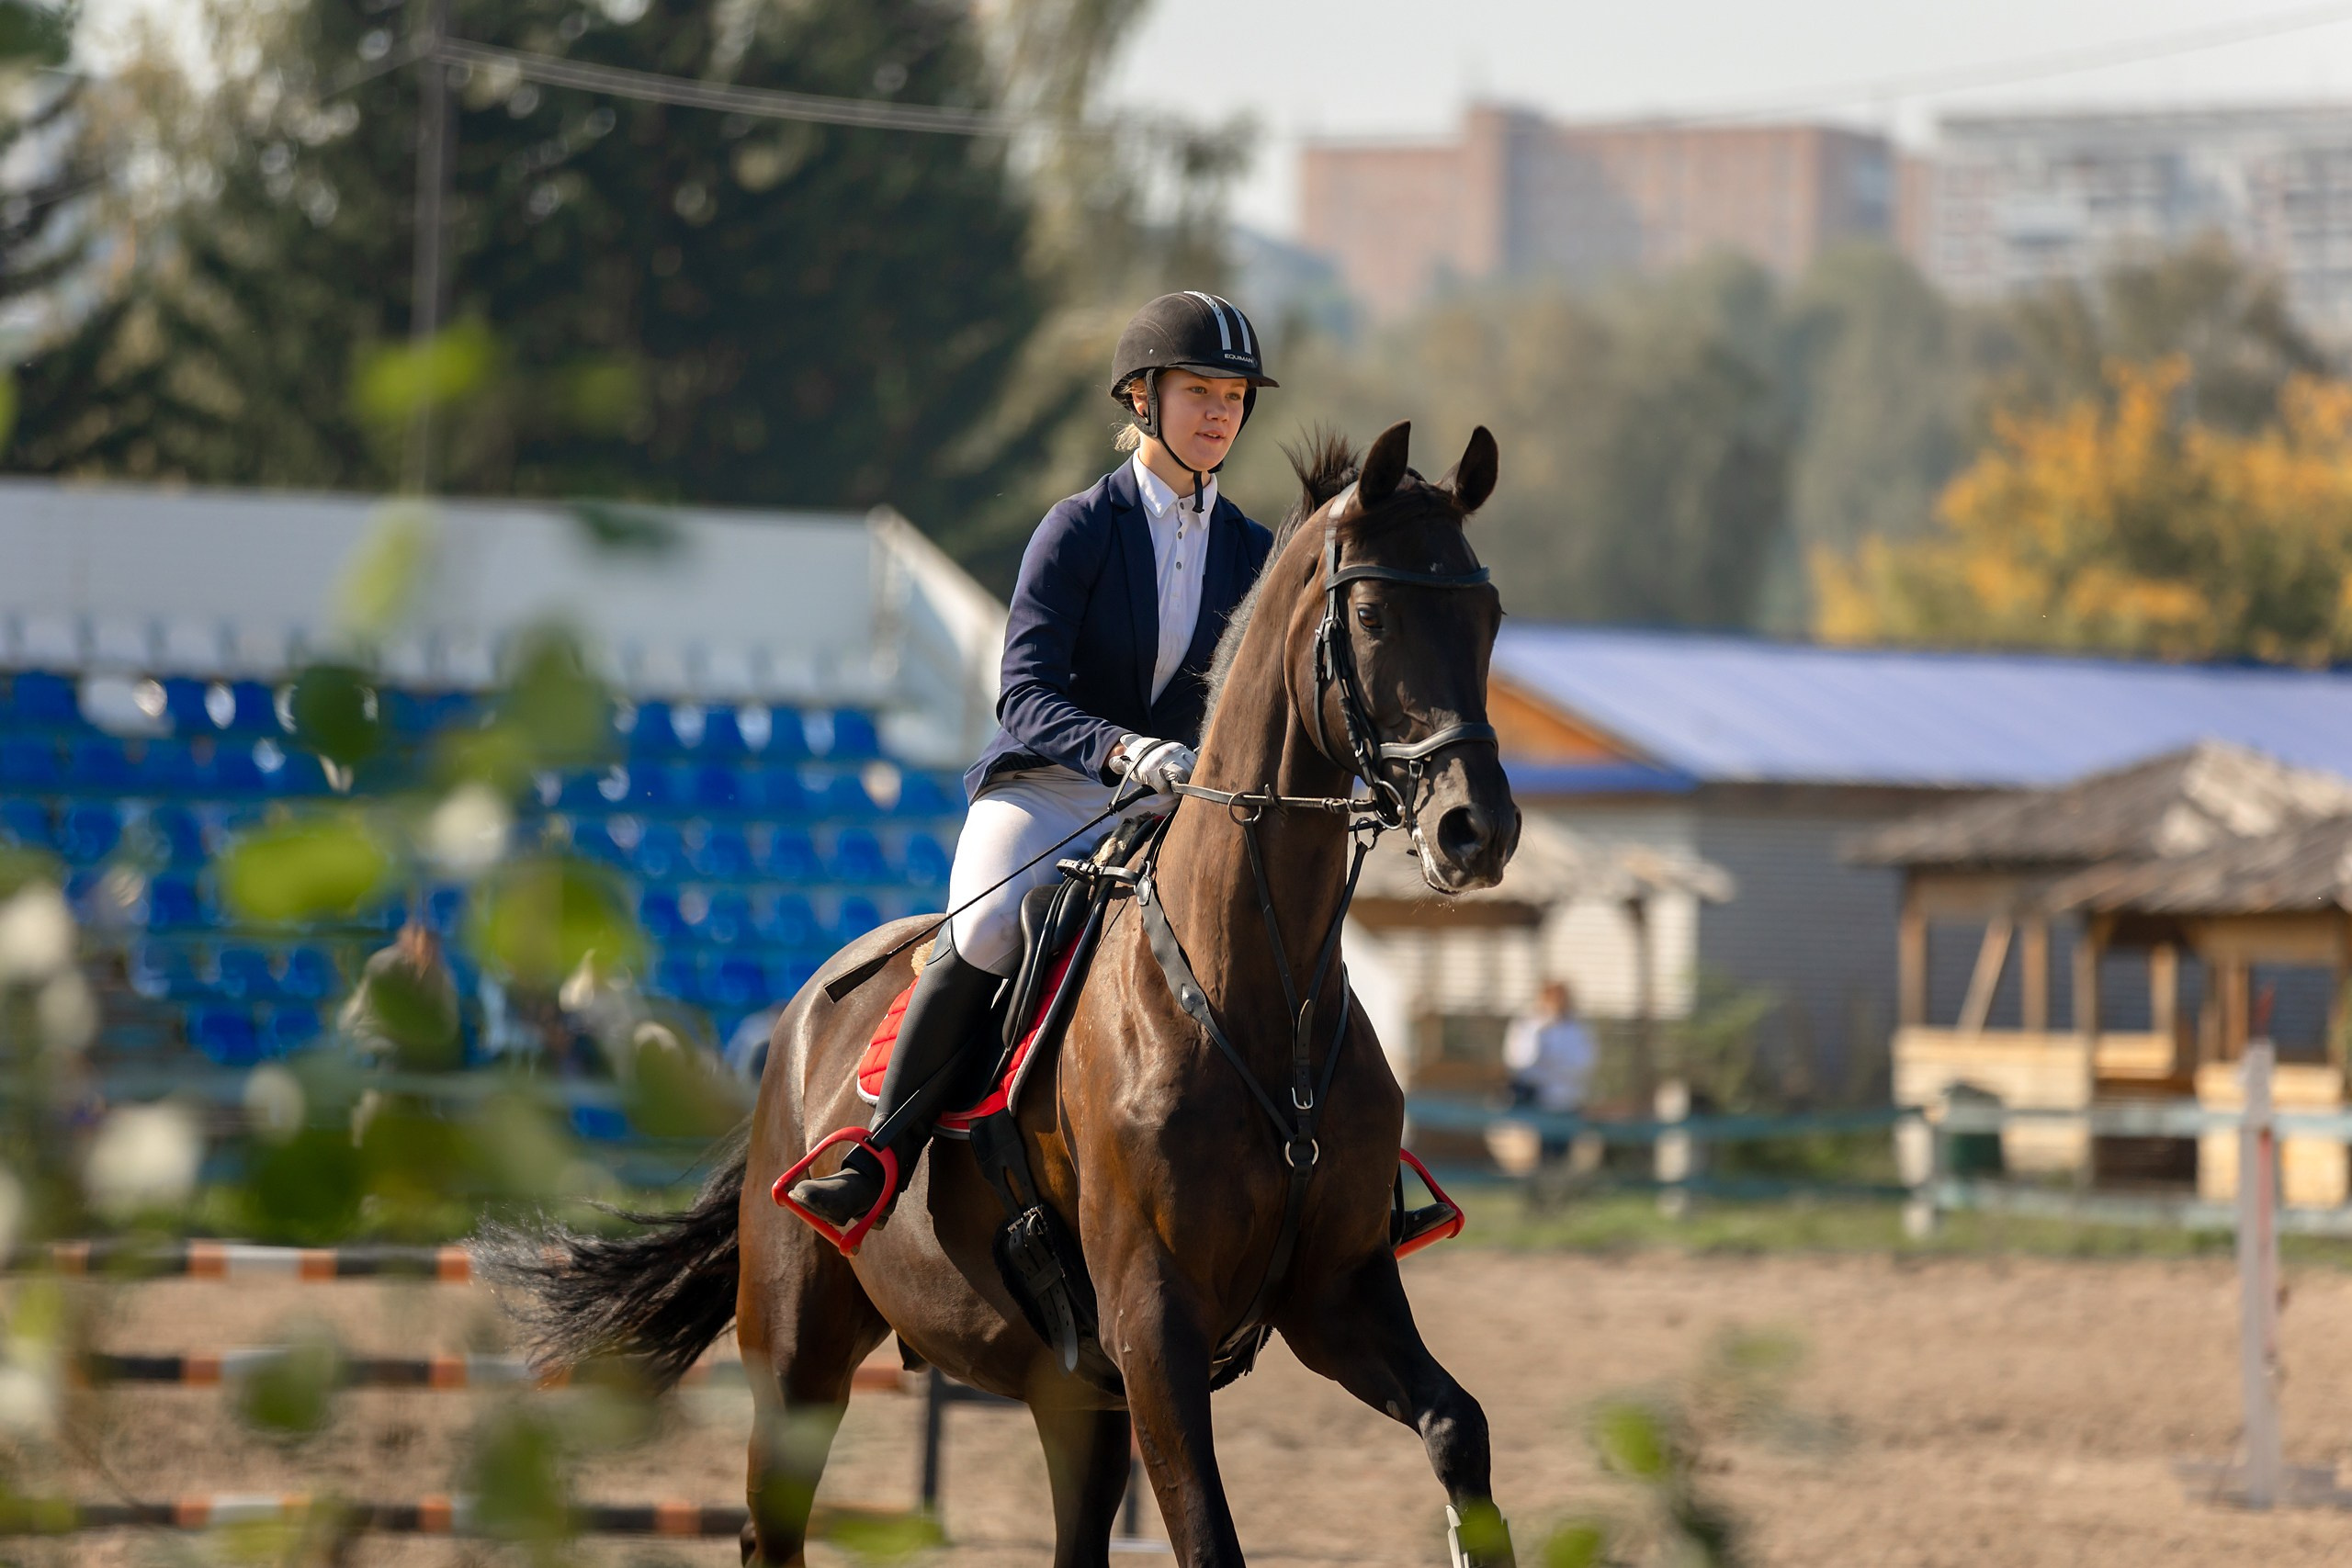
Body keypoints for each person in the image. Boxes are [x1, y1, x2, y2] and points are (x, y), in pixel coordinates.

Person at [787, 291, 1279, 1228]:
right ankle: (879, 1156)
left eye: (1233, 396)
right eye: (1198, 392)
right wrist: (1122, 748)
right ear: (1142, 398)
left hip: (1170, 806)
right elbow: (1023, 694)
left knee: (1275, 932)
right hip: (1051, 789)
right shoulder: (1079, 528)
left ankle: (1341, 1176)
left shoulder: (1251, 549)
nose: (1220, 413)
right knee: (988, 931)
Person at [1503, 981, 1595, 1157]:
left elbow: (1583, 1062)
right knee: (1531, 1150)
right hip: (1533, 1097)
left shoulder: (1578, 1029)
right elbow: (1518, 1061)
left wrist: (1557, 1070)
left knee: (1561, 1149)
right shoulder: (1528, 1025)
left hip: (1566, 1098)